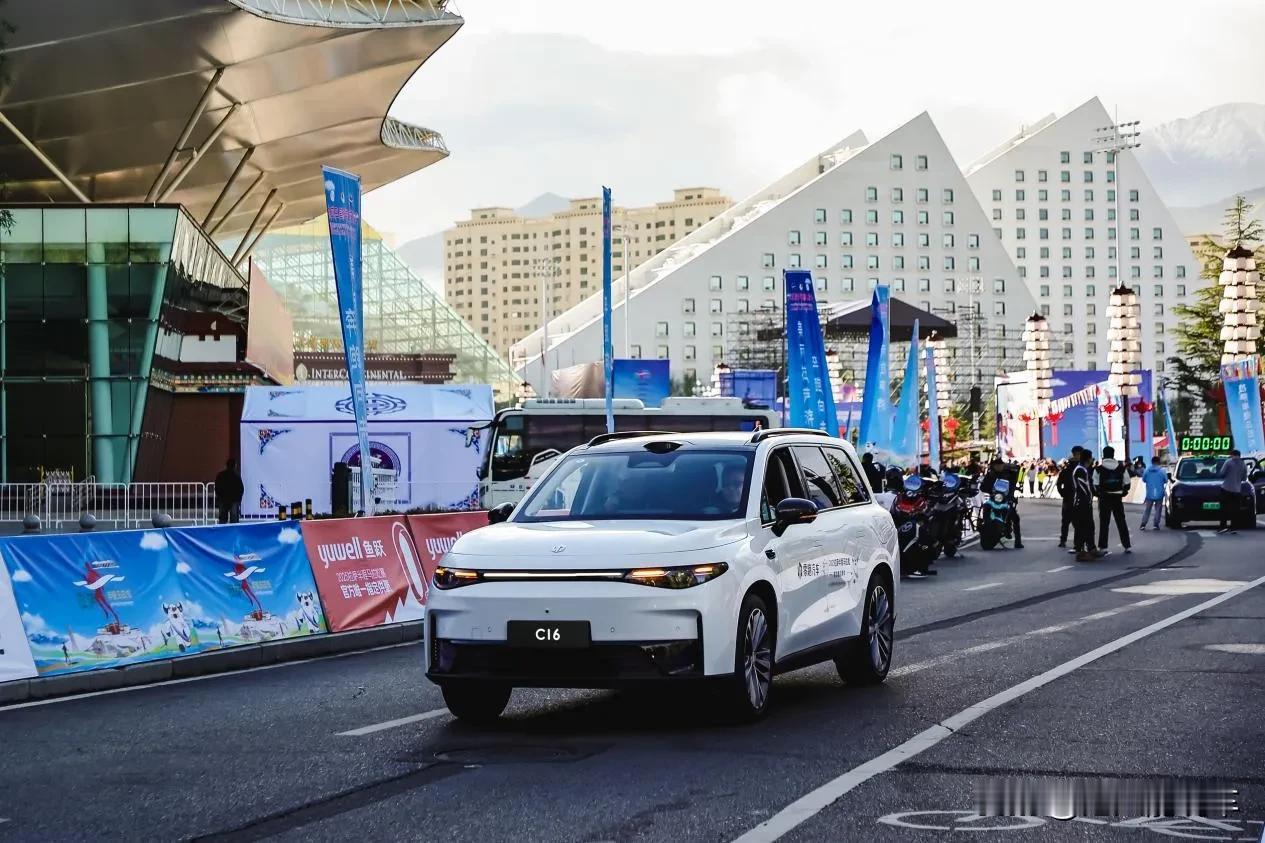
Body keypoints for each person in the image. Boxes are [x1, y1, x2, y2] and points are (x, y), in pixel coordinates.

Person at [1094, 445, 1132, 553]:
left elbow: (1095, 484)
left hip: (1104, 498)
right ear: (1113, 454)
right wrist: (1123, 492)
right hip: (1117, 498)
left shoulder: (1098, 469)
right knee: (1121, 522)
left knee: (1104, 523)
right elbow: (1127, 483)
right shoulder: (1121, 468)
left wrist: (1100, 494)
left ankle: (1103, 547)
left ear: (1104, 455)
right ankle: (1127, 545)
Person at [981, 458, 1023, 548]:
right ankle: (984, 525)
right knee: (986, 507)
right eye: (997, 465)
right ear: (993, 466)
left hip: (1005, 499)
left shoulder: (1008, 474)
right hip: (993, 498)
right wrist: (989, 490)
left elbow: (1012, 484)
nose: (999, 467)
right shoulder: (990, 475)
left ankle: (1018, 541)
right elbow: (983, 486)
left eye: (1000, 465)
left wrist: (1011, 494)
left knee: (1015, 517)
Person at [1074, 450, 1105, 560]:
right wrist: (1092, 495)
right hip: (1081, 503)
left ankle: (1091, 548)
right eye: (1091, 457)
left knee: (1090, 526)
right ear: (1088, 459)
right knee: (1083, 527)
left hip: (1086, 502)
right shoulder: (1080, 470)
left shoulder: (1084, 469)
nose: (1092, 460)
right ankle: (1080, 552)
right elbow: (1085, 487)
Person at [1056, 446, 1084, 548]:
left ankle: (1064, 540)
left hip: (1068, 498)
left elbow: (1059, 483)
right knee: (1077, 522)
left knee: (1066, 521)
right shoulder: (1081, 468)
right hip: (1076, 498)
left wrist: (1062, 492)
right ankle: (1077, 543)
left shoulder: (1067, 468)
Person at [1217, 449, 1247, 535]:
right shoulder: (1243, 464)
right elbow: (1244, 478)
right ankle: (1233, 528)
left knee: (1224, 509)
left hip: (1226, 488)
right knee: (1235, 510)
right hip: (1237, 490)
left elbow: (1222, 473)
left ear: (1232, 455)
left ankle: (1222, 527)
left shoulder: (1228, 462)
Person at [1140, 456, 1167, 530]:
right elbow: (1166, 480)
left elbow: (1143, 480)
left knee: (1147, 509)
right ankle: (1156, 524)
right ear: (1159, 462)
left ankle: (1143, 524)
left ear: (1152, 462)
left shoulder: (1147, 470)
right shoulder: (1162, 471)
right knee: (1158, 509)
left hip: (1149, 493)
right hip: (1159, 493)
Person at [215, 458, 244, 524]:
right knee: (234, 519)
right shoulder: (236, 476)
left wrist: (219, 496)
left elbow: (217, 487)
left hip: (223, 499)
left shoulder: (220, 475)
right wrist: (239, 500)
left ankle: (222, 529)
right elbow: (241, 489)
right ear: (235, 466)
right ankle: (234, 529)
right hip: (234, 500)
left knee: (222, 519)